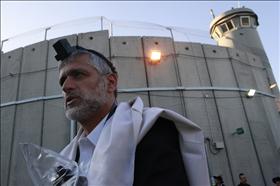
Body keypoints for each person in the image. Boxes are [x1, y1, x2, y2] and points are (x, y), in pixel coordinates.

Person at [52, 38, 210, 186]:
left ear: (110, 83)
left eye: (78, 75)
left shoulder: (151, 130)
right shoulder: (64, 159)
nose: (66, 87)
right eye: (62, 81)